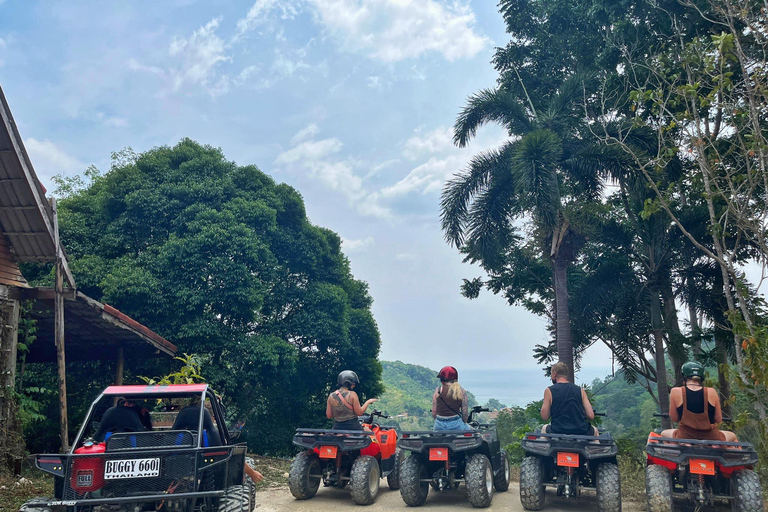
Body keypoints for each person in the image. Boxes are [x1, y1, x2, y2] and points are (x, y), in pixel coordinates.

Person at [661, 361, 738, 442]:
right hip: (711, 437)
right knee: (733, 436)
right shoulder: (712, 392)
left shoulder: (675, 391)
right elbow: (718, 419)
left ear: (684, 376)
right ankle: (731, 455)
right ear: (701, 377)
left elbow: (674, 418)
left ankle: (675, 454)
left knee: (663, 434)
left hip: (684, 437)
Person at [540, 361, 598, 436]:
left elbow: (544, 416)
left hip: (557, 431)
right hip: (581, 430)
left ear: (554, 373)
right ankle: (594, 448)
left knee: (544, 428)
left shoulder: (549, 390)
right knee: (595, 430)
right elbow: (591, 415)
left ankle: (545, 448)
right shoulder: (580, 390)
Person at [432, 366, 471, 431]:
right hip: (456, 424)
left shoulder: (437, 391)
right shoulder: (462, 392)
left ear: (442, 380)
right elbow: (465, 415)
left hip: (439, 425)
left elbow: (434, 413)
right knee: (474, 432)